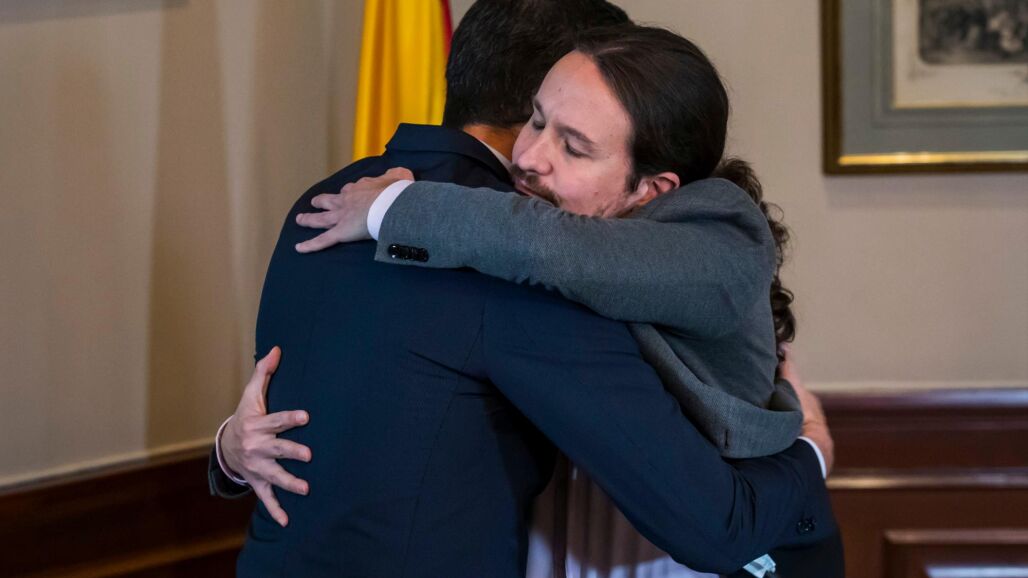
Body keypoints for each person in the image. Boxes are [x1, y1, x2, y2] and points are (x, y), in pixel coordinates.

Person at [210, 4, 842, 577]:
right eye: (539, 121)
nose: (532, 157)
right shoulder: (499, 258)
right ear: (542, 88)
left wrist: (227, 453)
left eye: (575, 143)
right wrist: (810, 450)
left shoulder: (328, 200)